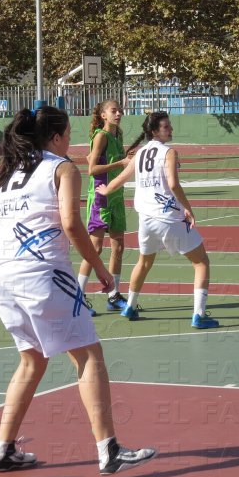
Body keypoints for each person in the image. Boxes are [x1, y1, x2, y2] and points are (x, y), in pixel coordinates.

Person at [0, 107, 155, 475]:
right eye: (68, 133)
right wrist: (100, 269)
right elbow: (71, 223)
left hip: (1, 274)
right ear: (55, 137)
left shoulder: (8, 171)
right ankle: (109, 450)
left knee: (32, 359)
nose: (72, 140)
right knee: (88, 355)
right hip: (42, 274)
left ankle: (2, 449)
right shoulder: (62, 168)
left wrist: (18, 238)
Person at [97, 111, 217, 328]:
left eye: (170, 126)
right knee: (201, 262)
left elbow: (122, 177)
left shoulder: (141, 153)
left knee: (144, 262)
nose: (170, 129)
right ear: (154, 131)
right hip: (168, 216)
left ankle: (130, 306)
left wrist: (106, 190)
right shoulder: (169, 152)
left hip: (146, 219)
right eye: (166, 127)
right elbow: (173, 184)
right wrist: (187, 208)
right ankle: (199, 315)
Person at [77, 100, 130, 314]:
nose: (118, 113)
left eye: (119, 110)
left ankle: (113, 295)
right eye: (113, 111)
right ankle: (78, 296)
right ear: (103, 115)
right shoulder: (101, 135)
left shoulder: (118, 135)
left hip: (116, 196)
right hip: (100, 196)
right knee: (95, 248)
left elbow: (91, 156)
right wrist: (120, 163)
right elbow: (92, 168)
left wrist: (127, 160)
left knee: (118, 247)